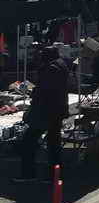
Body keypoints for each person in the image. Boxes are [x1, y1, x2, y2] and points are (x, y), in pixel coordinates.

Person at [13, 45, 69, 183]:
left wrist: (34, 95)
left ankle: (29, 173)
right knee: (53, 143)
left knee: (29, 142)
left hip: (45, 111)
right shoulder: (61, 66)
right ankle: (54, 175)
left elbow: (44, 92)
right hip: (57, 110)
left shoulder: (50, 69)